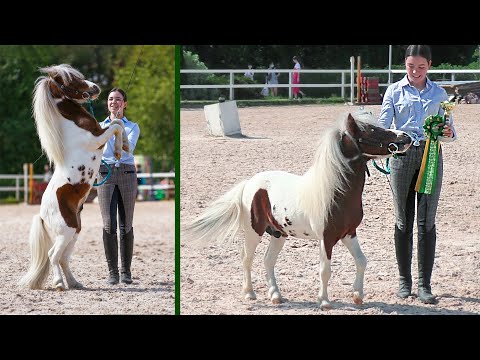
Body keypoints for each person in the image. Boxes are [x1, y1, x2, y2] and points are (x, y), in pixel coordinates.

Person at [378, 45, 457, 304]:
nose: (416, 71)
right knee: (403, 220)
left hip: (431, 156)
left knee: (427, 222)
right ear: (405, 64)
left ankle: (425, 284)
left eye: (421, 67)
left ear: (430, 65)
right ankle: (404, 282)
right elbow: (383, 127)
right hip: (402, 157)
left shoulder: (440, 93)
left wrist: (447, 133)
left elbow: (450, 131)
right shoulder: (393, 91)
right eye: (411, 66)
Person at [97, 88, 140, 285]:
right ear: (107, 104)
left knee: (126, 224)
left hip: (126, 173)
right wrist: (111, 127)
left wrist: (118, 126)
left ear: (125, 104)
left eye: (118, 100)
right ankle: (112, 272)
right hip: (105, 173)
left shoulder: (133, 127)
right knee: (108, 224)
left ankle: (126, 272)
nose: (114, 102)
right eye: (111, 99)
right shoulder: (99, 126)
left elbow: (127, 148)